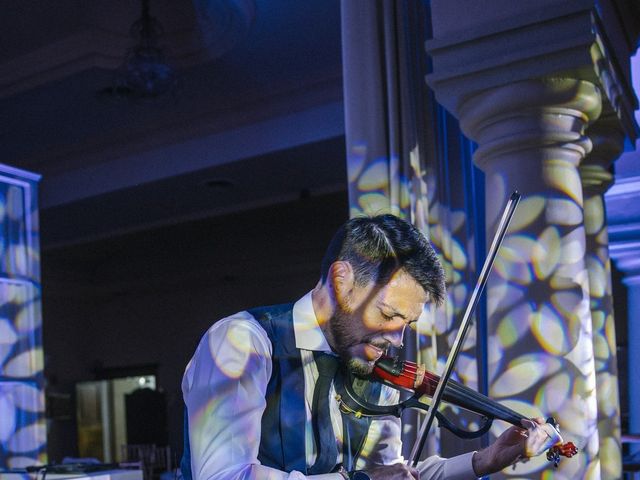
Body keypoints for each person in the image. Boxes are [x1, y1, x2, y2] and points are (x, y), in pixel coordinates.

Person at [181, 214, 544, 480]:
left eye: (407, 324)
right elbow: (224, 476)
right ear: (341, 282)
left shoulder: (374, 368)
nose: (396, 340)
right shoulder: (244, 342)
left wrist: (484, 460)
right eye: (387, 315)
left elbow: (393, 476)